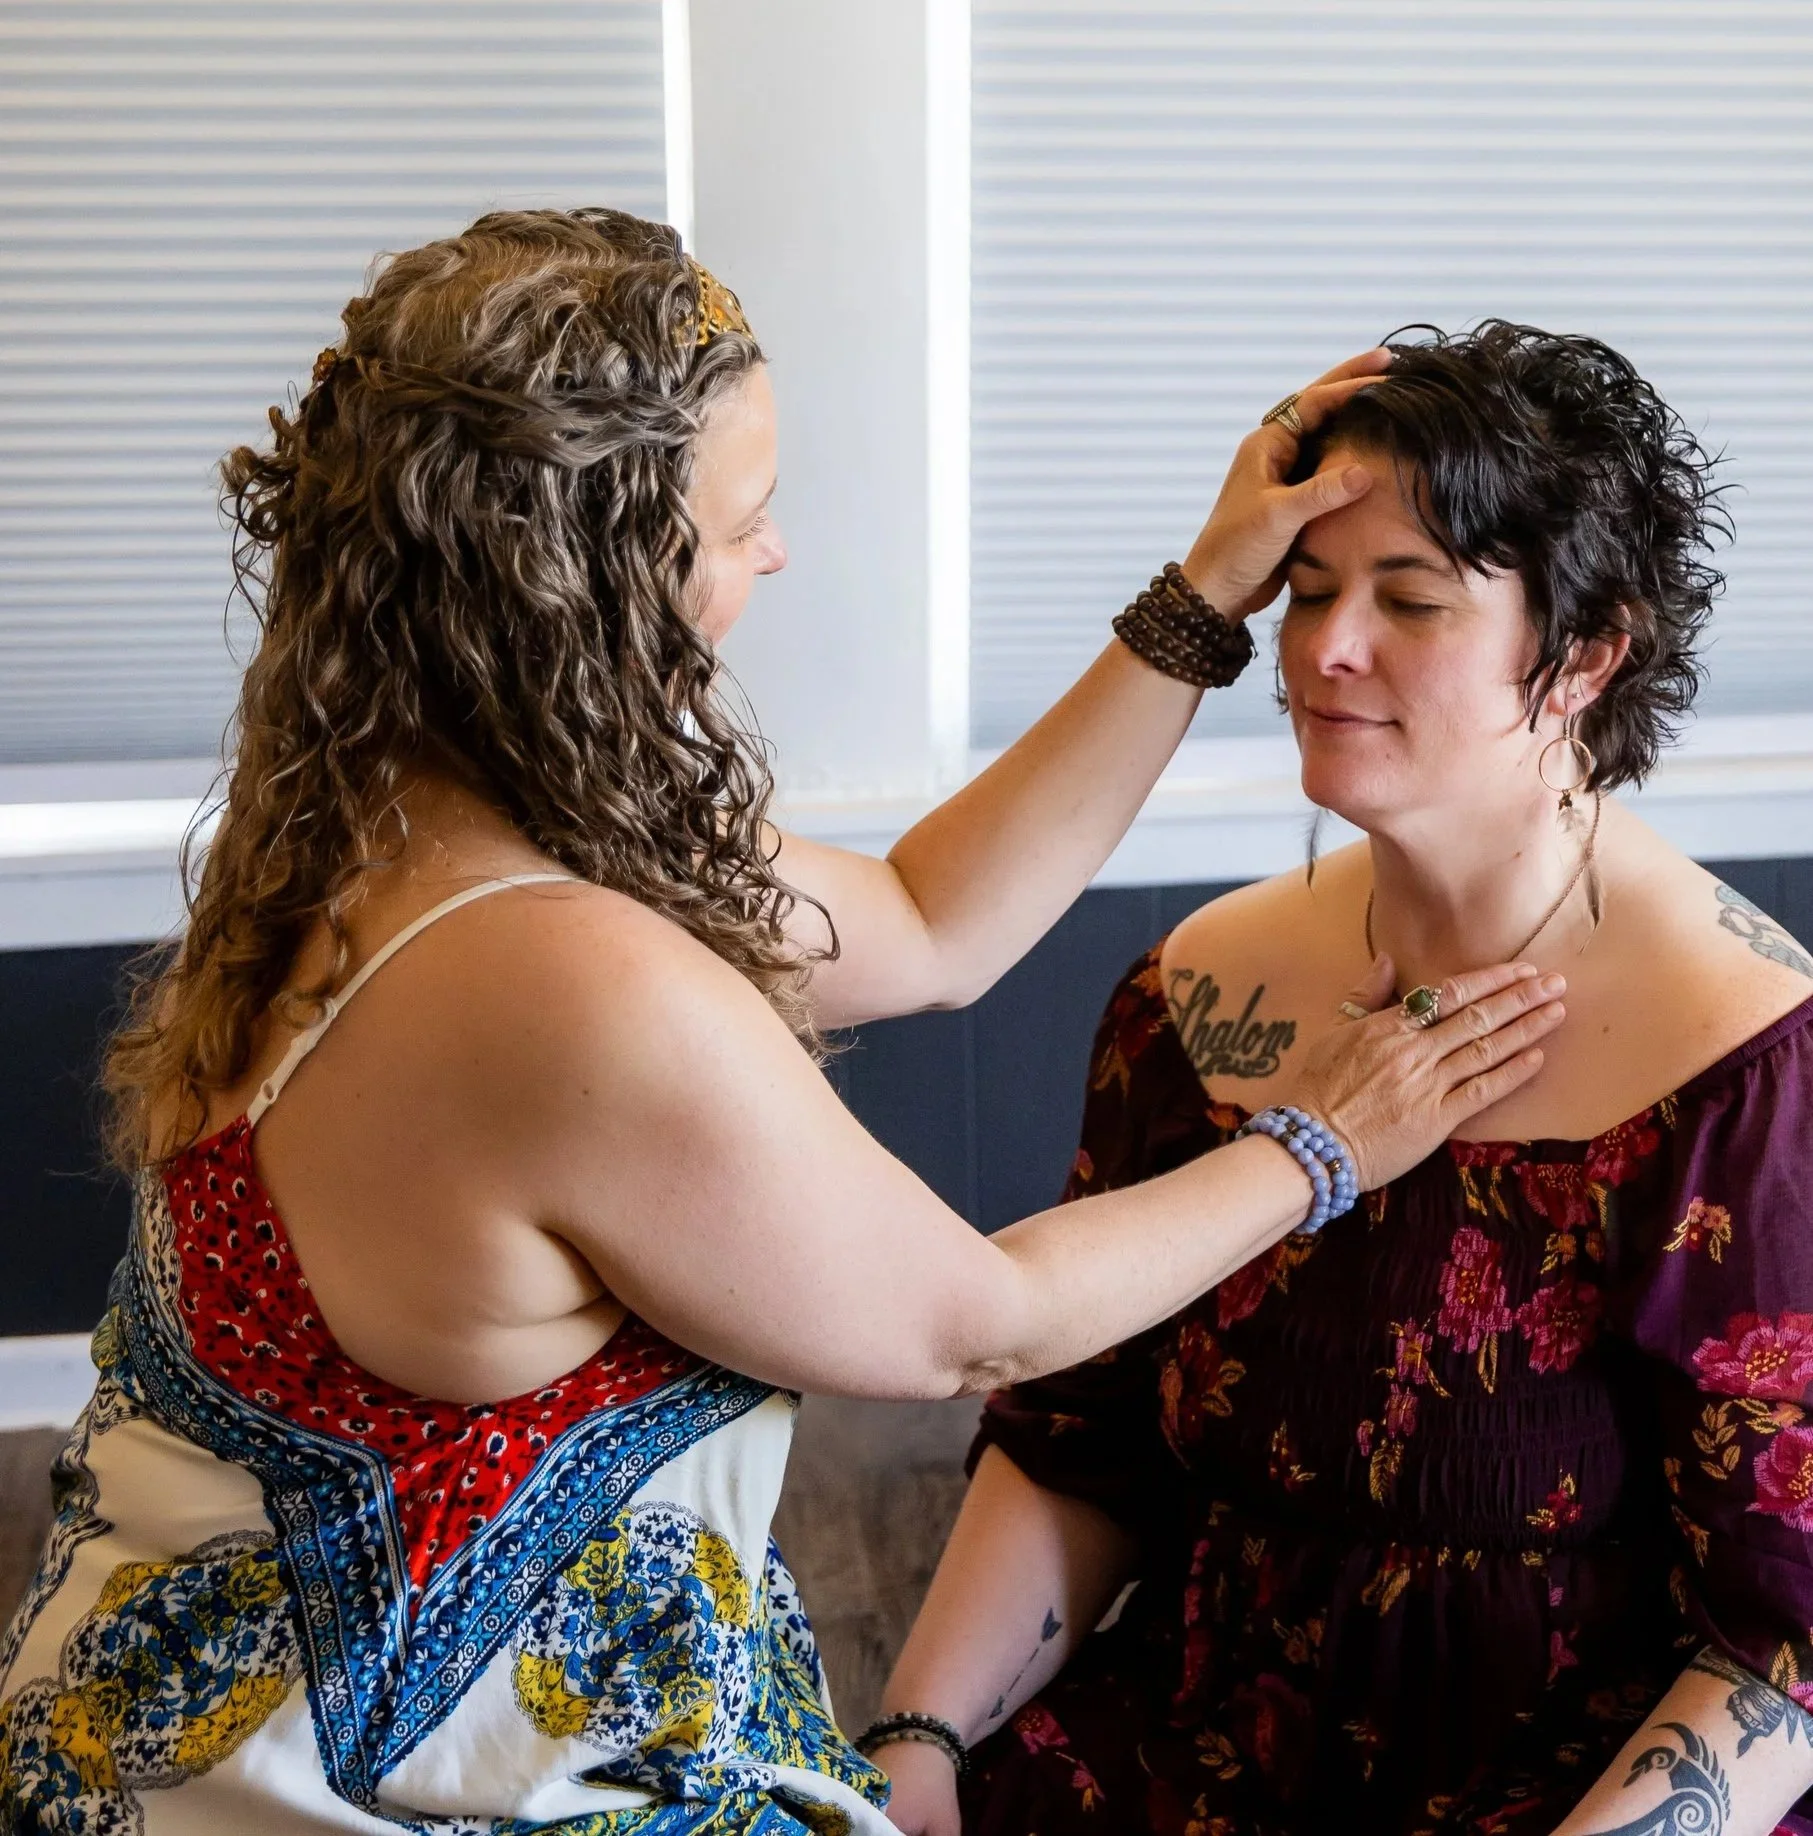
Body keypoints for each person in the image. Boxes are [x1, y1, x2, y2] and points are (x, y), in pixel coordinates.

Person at [0, 216, 1558, 1834]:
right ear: (593, 581)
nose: (776, 554)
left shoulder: (395, 804)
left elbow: (932, 924)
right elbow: (979, 1325)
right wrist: (1326, 1140)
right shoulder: (557, 979)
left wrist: (1205, 592)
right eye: (744, 522)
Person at [875, 321, 1813, 1836]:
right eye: (1305, 592)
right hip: (1203, 1752)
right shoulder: (1196, 999)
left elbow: (1781, 1644)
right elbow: (1080, 1445)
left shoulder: (1745, 1065)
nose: (1322, 652)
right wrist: (917, 1741)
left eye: (1410, 601)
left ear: (1586, 653)